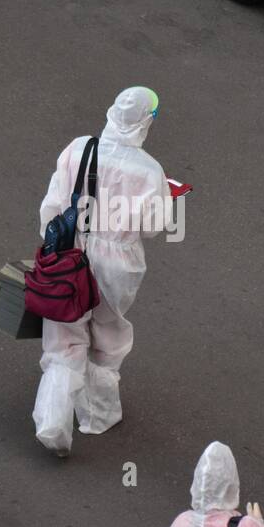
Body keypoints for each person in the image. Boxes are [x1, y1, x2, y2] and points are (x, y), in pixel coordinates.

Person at [32, 86, 172, 457]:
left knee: (65, 339)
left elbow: (51, 207)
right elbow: (154, 226)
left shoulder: (79, 149)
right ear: (146, 122)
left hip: (71, 251)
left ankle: (52, 423)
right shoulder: (150, 171)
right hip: (118, 265)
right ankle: (97, 415)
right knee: (107, 334)